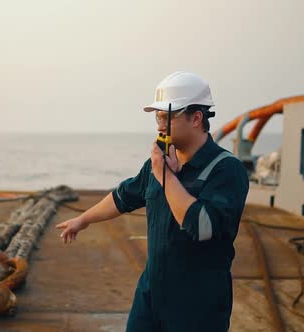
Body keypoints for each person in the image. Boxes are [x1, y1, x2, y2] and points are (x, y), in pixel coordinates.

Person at [56, 71, 249, 331]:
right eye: (157, 117)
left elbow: (202, 226)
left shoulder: (226, 169)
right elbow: (124, 196)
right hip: (152, 294)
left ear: (196, 118)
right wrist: (83, 219)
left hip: (198, 305)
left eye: (167, 116)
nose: (159, 124)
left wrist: (165, 175)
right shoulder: (158, 163)